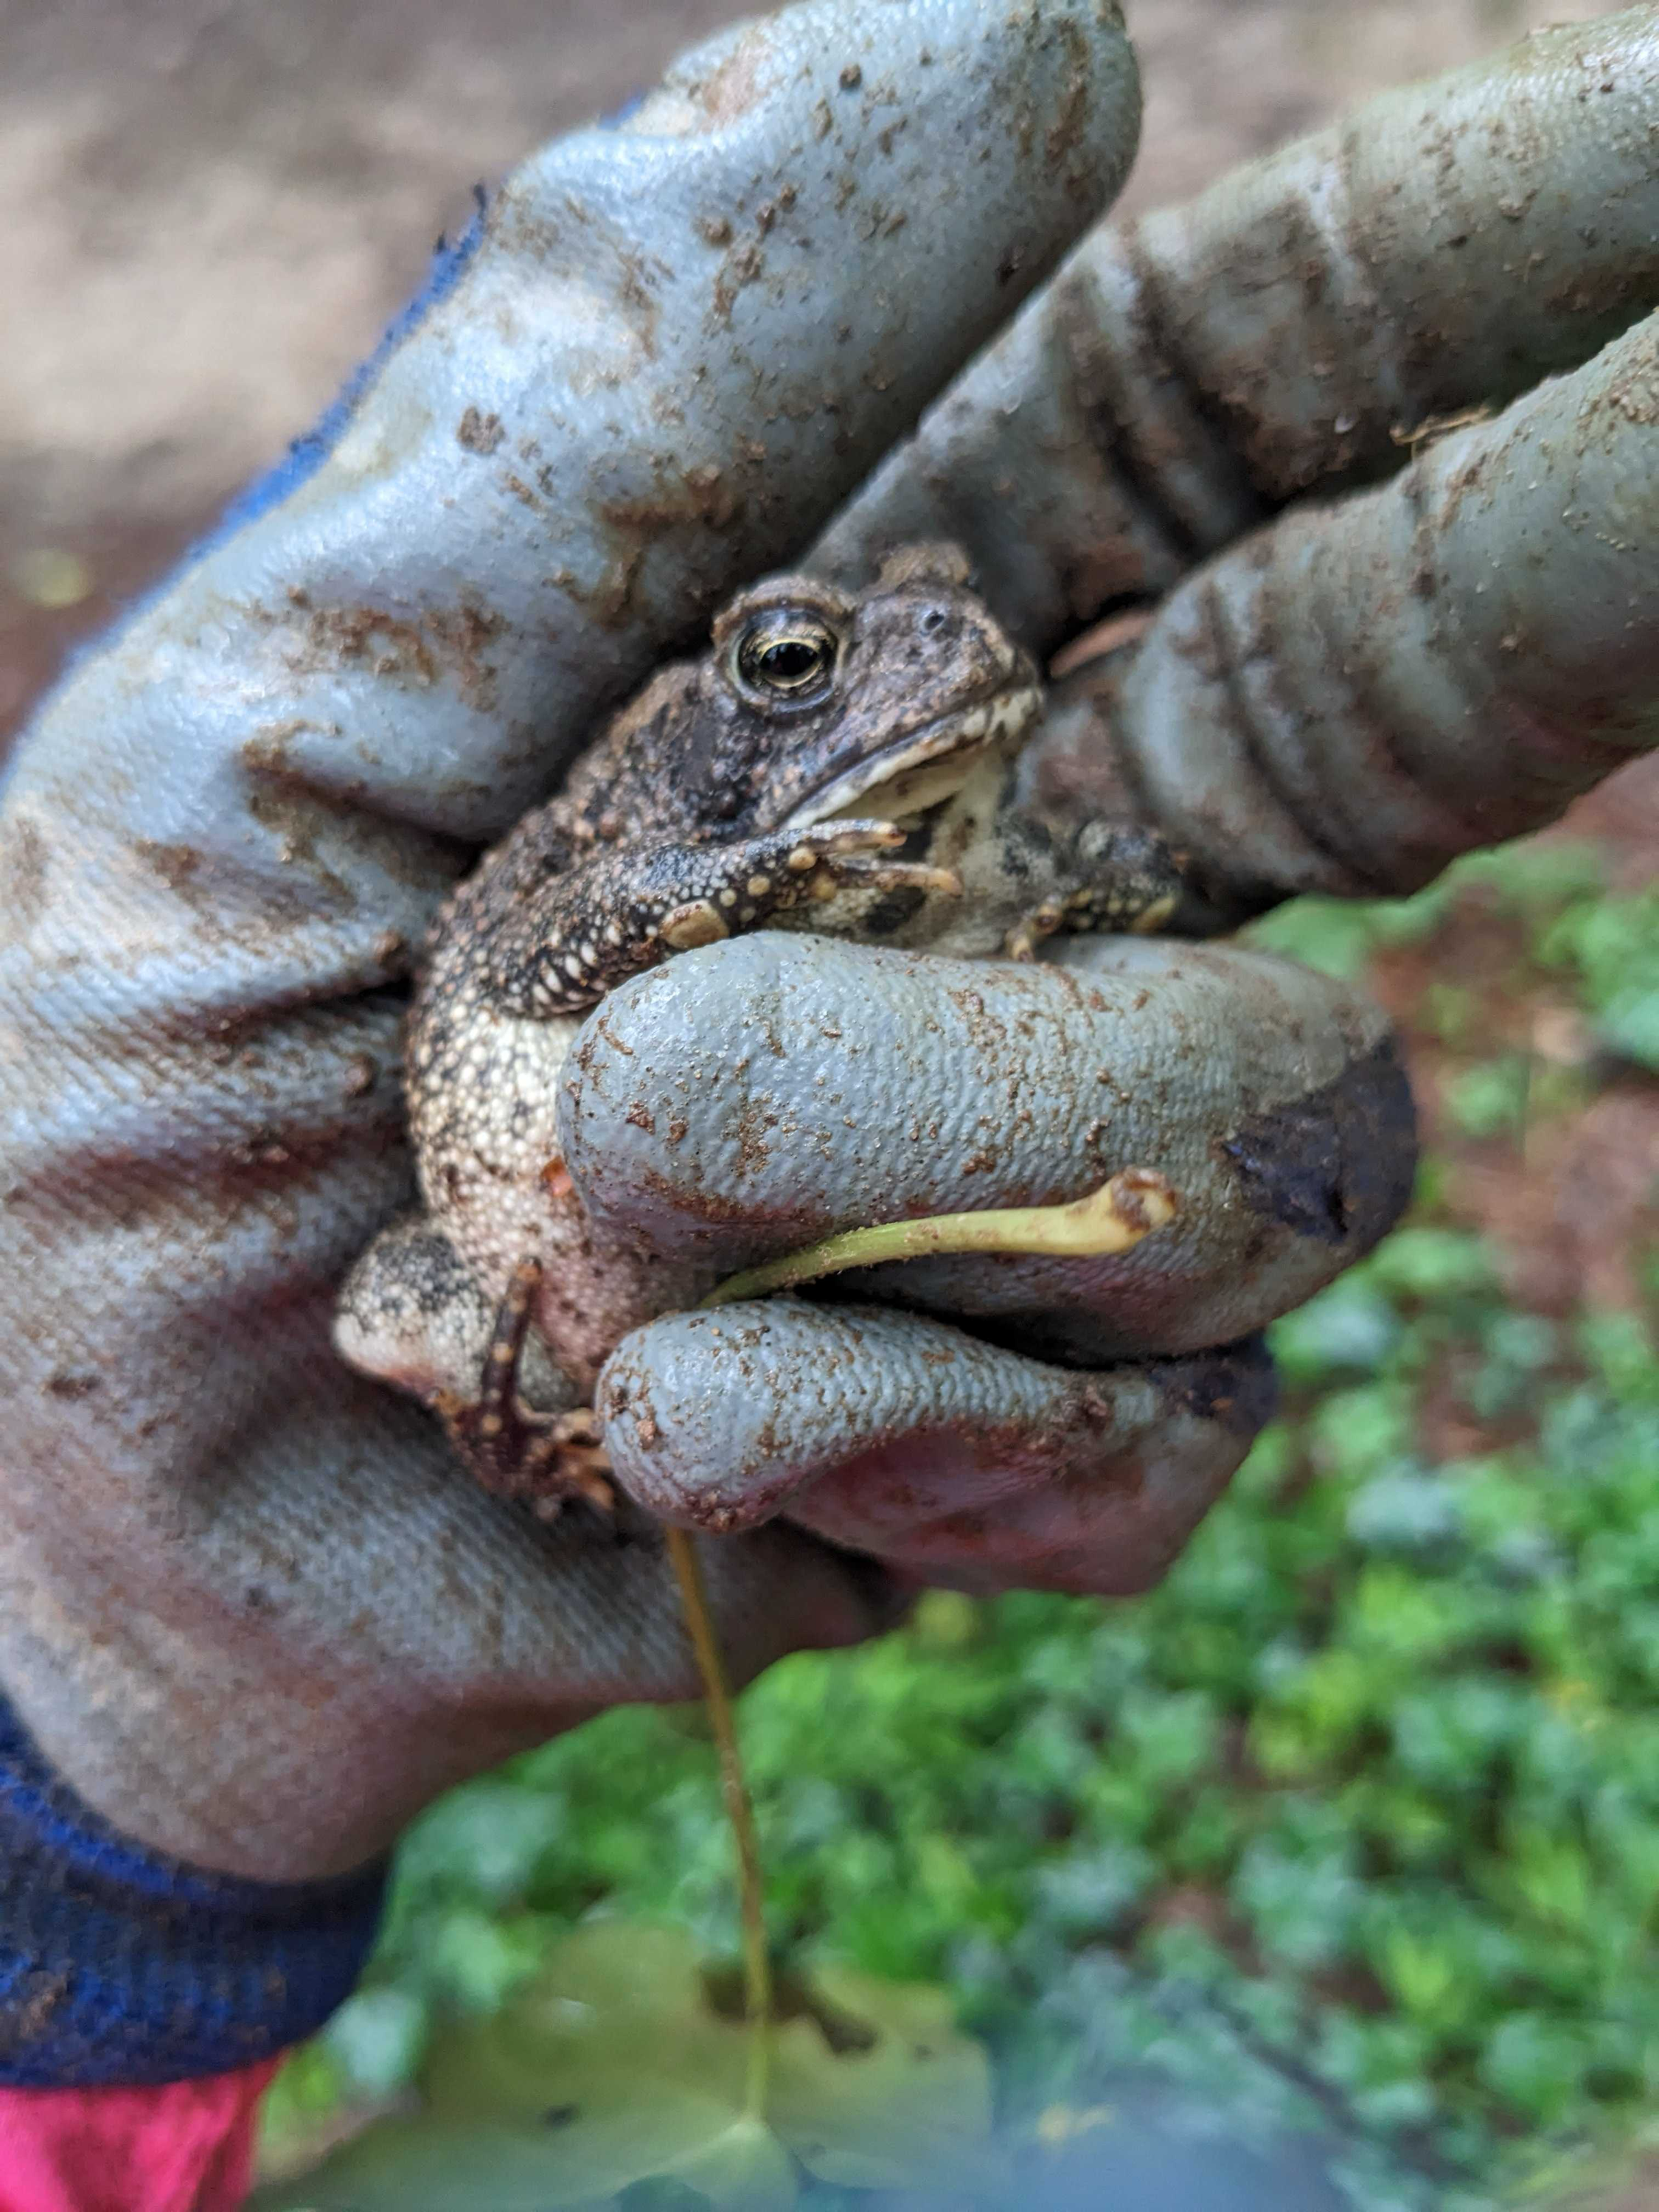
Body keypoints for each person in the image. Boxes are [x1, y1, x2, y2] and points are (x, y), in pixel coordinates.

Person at [0, 0, 1654, 2203]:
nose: (914, 667)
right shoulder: (662, 848)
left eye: (924, 639)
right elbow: (554, 1007)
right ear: (734, 721)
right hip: (481, 1245)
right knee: (445, 1295)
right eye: (802, 668)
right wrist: (79, 1666)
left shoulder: (916, 835)